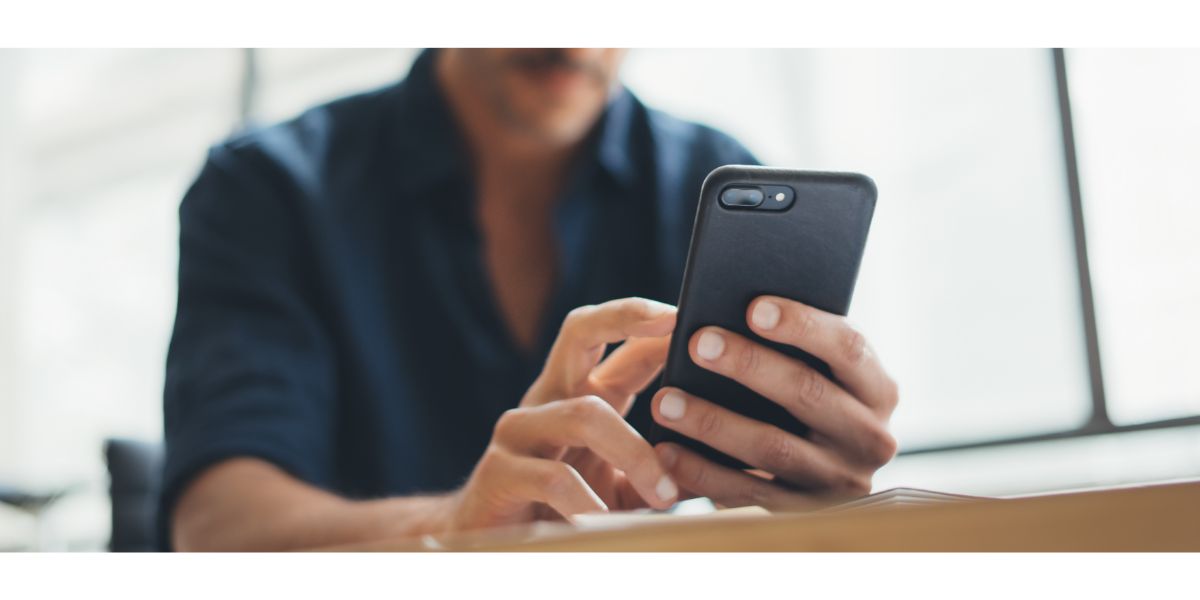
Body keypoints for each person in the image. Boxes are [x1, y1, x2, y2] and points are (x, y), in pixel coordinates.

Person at [162, 48, 899, 551]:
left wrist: (813, 493)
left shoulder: (713, 178)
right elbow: (216, 524)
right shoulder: (268, 191)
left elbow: (772, 485)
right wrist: (457, 528)